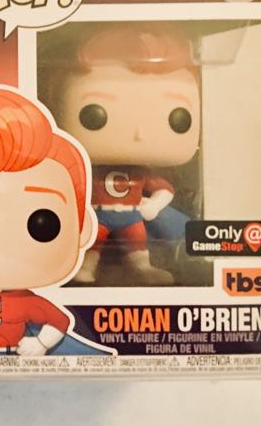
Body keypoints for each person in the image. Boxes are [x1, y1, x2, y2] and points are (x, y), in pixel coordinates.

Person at [49, 25, 200, 285]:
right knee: (93, 242)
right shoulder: (88, 171)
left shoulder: (141, 174)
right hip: (97, 216)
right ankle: (85, 266)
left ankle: (142, 268)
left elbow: (164, 189)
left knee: (137, 243)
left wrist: (154, 206)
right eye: (94, 115)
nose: (139, 134)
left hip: (132, 217)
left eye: (178, 118)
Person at [0, 87, 95, 356]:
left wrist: (40, 344)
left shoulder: (26, 302)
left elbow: (59, 321)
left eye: (42, 225)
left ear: (83, 229)